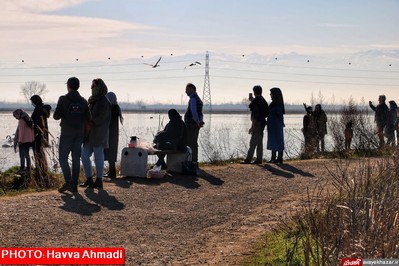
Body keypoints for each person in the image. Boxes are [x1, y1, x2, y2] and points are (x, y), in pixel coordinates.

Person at [53, 77, 90, 193]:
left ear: (68, 86)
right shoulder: (83, 101)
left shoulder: (63, 99)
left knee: (63, 158)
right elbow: (89, 118)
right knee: (75, 159)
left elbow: (56, 116)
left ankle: (69, 181)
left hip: (66, 133)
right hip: (79, 134)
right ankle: (74, 186)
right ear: (78, 86)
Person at [80, 78, 111, 189]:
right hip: (89, 134)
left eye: (93, 86)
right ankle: (89, 179)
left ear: (98, 87)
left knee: (98, 157)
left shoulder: (104, 101)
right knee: (84, 156)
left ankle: (99, 180)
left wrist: (90, 121)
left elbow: (101, 119)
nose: (91, 88)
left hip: (99, 134)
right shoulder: (92, 100)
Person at [242, 85, 269, 164]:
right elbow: (261, 108)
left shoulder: (256, 101)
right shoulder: (262, 100)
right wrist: (252, 100)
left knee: (253, 142)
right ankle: (259, 159)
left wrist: (252, 127)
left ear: (254, 92)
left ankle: (248, 160)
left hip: (257, 123)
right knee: (259, 142)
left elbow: (255, 116)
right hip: (262, 123)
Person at [30, 94, 51, 187]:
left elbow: (37, 123)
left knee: (38, 152)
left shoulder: (38, 110)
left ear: (35, 101)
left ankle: (40, 169)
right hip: (43, 135)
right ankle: (43, 169)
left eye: (32, 102)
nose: (32, 104)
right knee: (40, 152)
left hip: (38, 135)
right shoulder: (42, 108)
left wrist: (29, 122)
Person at [103, 92, 123, 179]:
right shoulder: (116, 108)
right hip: (114, 133)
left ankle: (112, 173)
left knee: (109, 152)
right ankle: (111, 171)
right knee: (112, 152)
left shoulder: (109, 108)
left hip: (108, 133)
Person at [184, 83, 204, 166]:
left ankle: (191, 162)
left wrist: (198, 122)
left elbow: (194, 113)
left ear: (192, 89)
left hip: (191, 125)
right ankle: (194, 161)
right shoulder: (198, 99)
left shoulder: (193, 99)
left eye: (187, 89)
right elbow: (200, 113)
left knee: (190, 143)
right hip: (195, 125)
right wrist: (200, 121)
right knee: (194, 143)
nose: (185, 91)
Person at [13, 109, 35, 176]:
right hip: (28, 140)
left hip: (23, 141)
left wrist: (20, 141)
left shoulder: (21, 121)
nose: (15, 118)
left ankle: (22, 169)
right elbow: (32, 131)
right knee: (27, 155)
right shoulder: (28, 119)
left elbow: (21, 132)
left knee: (22, 155)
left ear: (18, 114)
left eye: (15, 116)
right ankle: (28, 168)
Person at [266, 87, 285, 163]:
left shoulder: (277, 105)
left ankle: (279, 158)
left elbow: (280, 116)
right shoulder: (273, 104)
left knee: (278, 140)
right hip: (272, 125)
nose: (270, 95)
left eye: (271, 93)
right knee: (272, 141)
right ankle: (273, 157)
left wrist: (281, 123)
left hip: (276, 125)